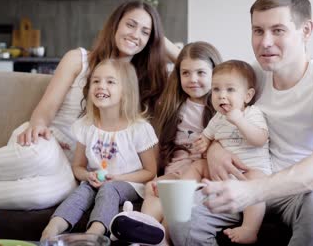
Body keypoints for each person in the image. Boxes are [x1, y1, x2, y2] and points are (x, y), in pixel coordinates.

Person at [169, 0, 313, 246]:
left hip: (306, 190)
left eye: (278, 30)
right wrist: (214, 149)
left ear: (306, 30)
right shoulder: (252, 76)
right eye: (258, 30)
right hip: (248, 179)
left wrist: (256, 190)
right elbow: (220, 116)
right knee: (181, 216)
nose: (265, 42)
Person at [0, 0, 172, 210]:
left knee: (40, 196)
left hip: (72, 168)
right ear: (115, 25)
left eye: (145, 31)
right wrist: (39, 125)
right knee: (38, 157)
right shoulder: (78, 59)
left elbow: (199, 67)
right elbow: (45, 109)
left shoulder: (141, 83)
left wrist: (159, 38)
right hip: (47, 141)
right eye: (131, 25)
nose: (136, 34)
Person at [110, 41, 222, 245]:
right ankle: (146, 231)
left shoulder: (221, 108)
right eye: (186, 73)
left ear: (216, 72)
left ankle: (160, 238)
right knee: (154, 189)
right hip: (176, 170)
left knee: (176, 203)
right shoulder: (174, 104)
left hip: (202, 174)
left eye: (201, 73)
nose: (193, 79)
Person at [40, 59, 158, 239]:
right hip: (97, 182)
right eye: (96, 81)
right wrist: (87, 175)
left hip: (130, 183)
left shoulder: (139, 128)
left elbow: (150, 171)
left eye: (110, 81)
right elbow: (78, 166)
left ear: (125, 91)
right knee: (83, 190)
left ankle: (94, 234)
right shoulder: (86, 125)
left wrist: (118, 178)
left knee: (109, 189)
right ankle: (52, 229)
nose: (101, 86)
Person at [181, 60, 271, 244]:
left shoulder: (252, 114)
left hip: (248, 172)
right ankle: (181, 192)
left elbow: (259, 139)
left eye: (230, 90)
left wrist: (239, 121)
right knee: (198, 165)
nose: (222, 96)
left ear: (247, 96)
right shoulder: (217, 118)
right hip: (222, 174)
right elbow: (207, 136)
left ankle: (250, 228)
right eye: (216, 90)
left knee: (257, 180)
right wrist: (203, 142)